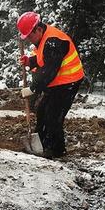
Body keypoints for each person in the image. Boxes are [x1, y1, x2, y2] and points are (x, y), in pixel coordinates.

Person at [17, 11, 84, 159]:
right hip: (58, 81)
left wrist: (33, 88)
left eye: (29, 36)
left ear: (38, 29)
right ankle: (41, 143)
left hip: (69, 81)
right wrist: (31, 61)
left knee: (53, 116)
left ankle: (56, 150)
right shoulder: (43, 39)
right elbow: (44, 59)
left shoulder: (53, 41)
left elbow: (48, 71)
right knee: (42, 111)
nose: (28, 39)